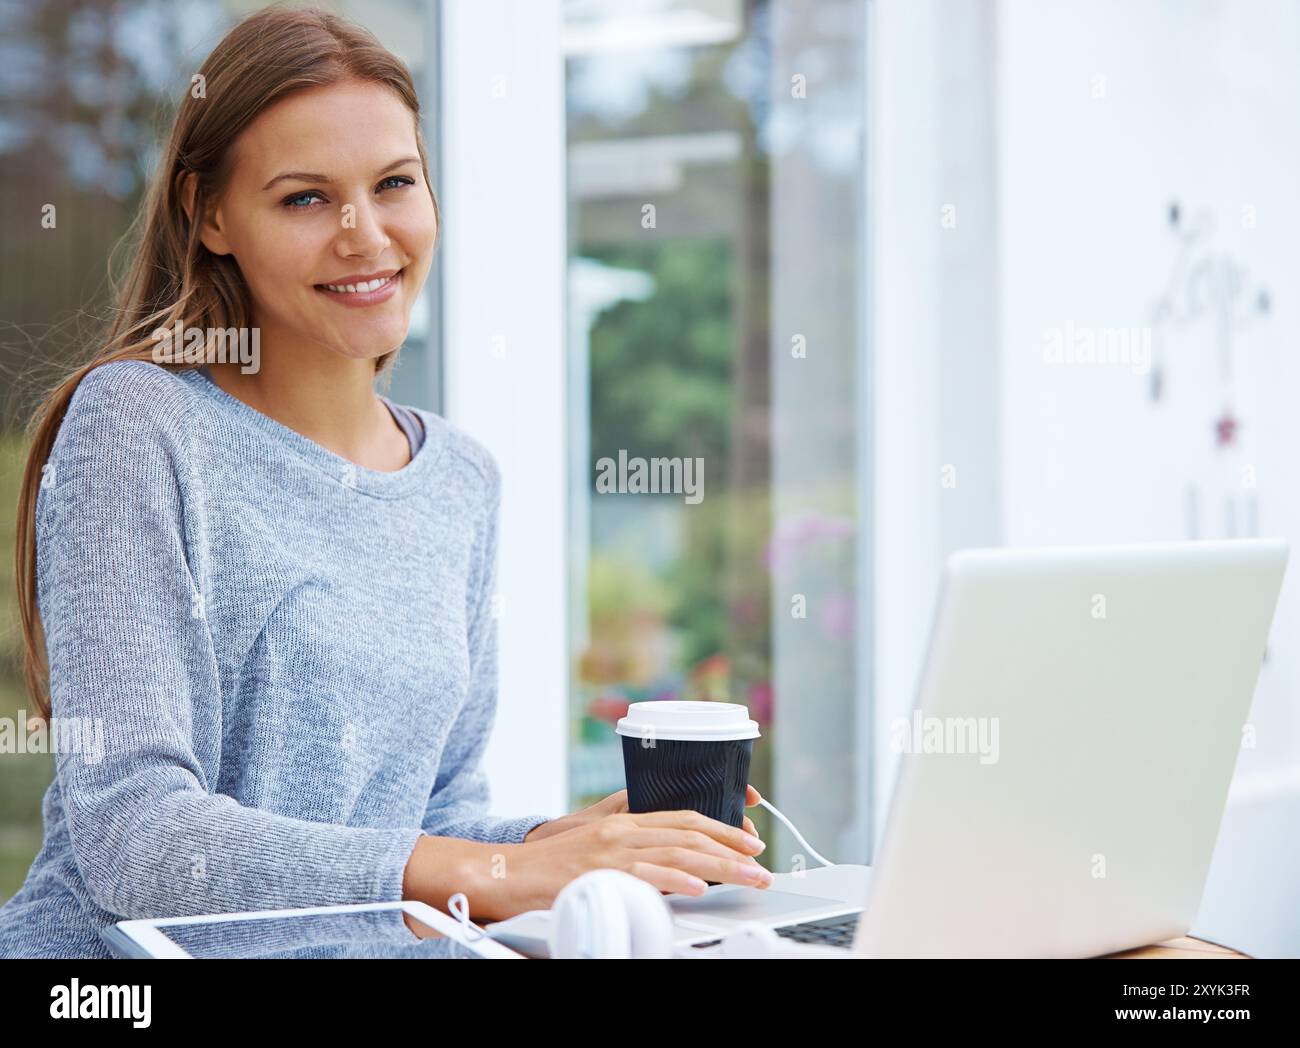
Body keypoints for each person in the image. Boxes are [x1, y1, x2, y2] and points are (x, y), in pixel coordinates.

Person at [0, 5, 770, 959]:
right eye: (305, 199)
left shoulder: (460, 479)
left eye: (394, 183)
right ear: (211, 216)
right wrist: (499, 869)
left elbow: (433, 820)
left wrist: (554, 844)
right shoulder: (140, 424)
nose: (366, 237)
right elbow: (138, 841)